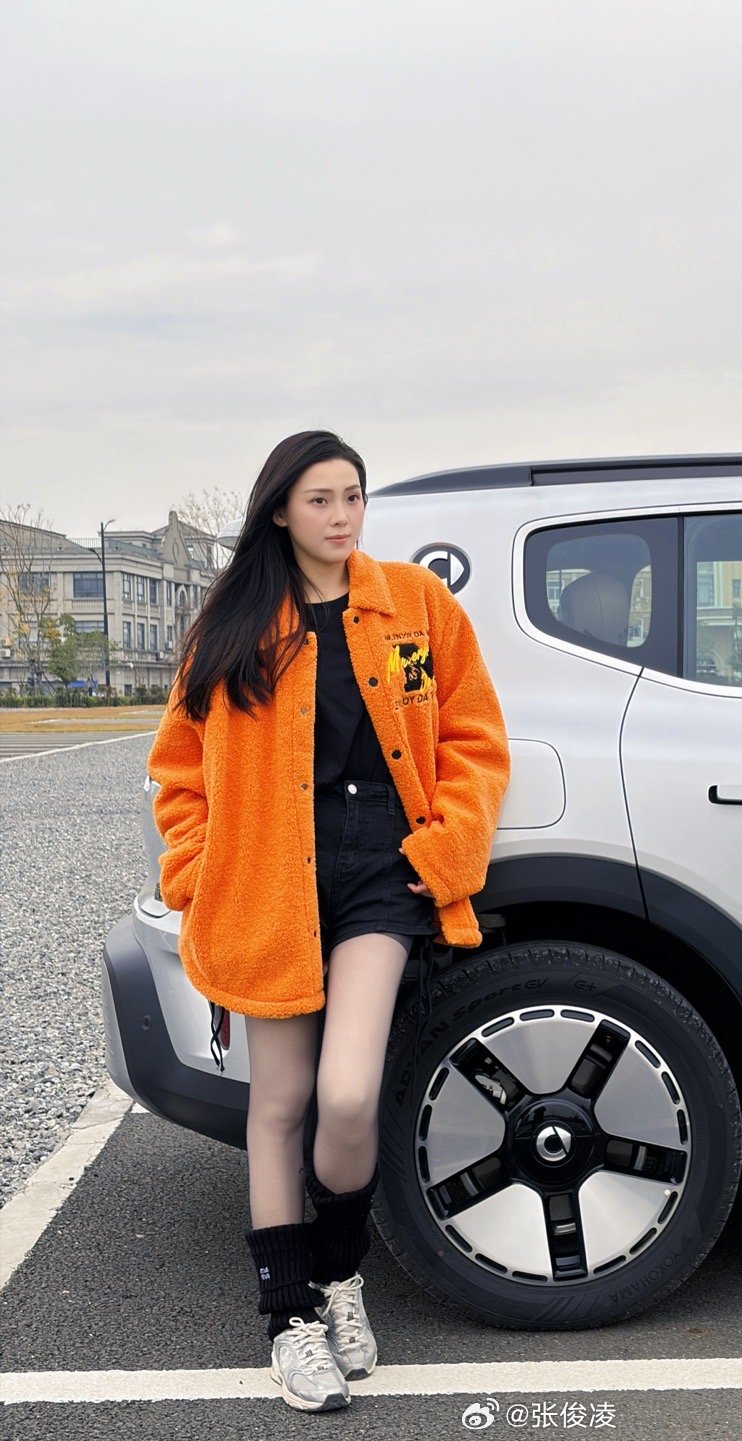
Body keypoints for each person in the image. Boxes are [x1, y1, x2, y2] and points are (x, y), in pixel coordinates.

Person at [147, 431, 511, 1412]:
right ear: (280, 510)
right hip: (269, 878)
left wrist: (447, 848)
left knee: (347, 1097)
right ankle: (289, 1319)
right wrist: (197, 873)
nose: (342, 515)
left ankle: (341, 1277)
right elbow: (178, 770)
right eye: (321, 499)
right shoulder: (232, 626)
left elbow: (474, 738)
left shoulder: (414, 605)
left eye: (353, 495)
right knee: (278, 1101)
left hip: (382, 874)